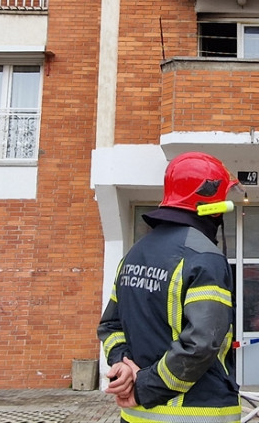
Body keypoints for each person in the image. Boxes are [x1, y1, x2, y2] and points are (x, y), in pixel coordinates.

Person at [96, 152, 243, 423]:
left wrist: (122, 366)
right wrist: (144, 387)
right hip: (198, 412)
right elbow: (202, 342)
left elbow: (110, 327)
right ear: (210, 202)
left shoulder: (134, 254)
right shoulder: (203, 256)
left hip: (134, 415)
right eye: (224, 199)